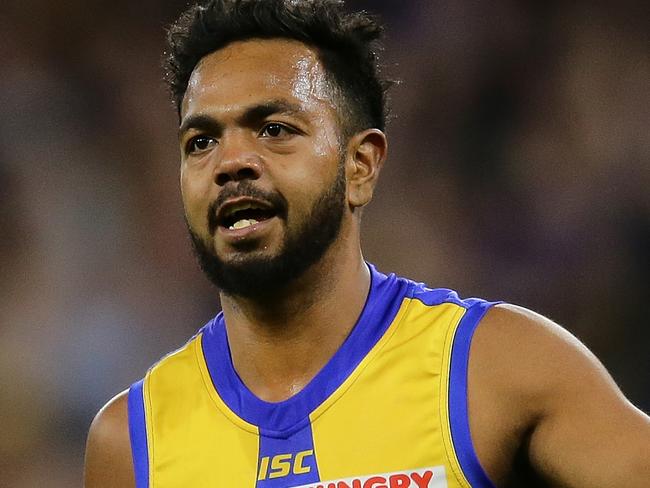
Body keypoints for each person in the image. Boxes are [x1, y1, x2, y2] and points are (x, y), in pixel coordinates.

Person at [84, 1, 650, 487]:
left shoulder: (497, 369)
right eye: (201, 140)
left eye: (275, 129)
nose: (230, 162)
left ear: (361, 165)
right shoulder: (132, 443)